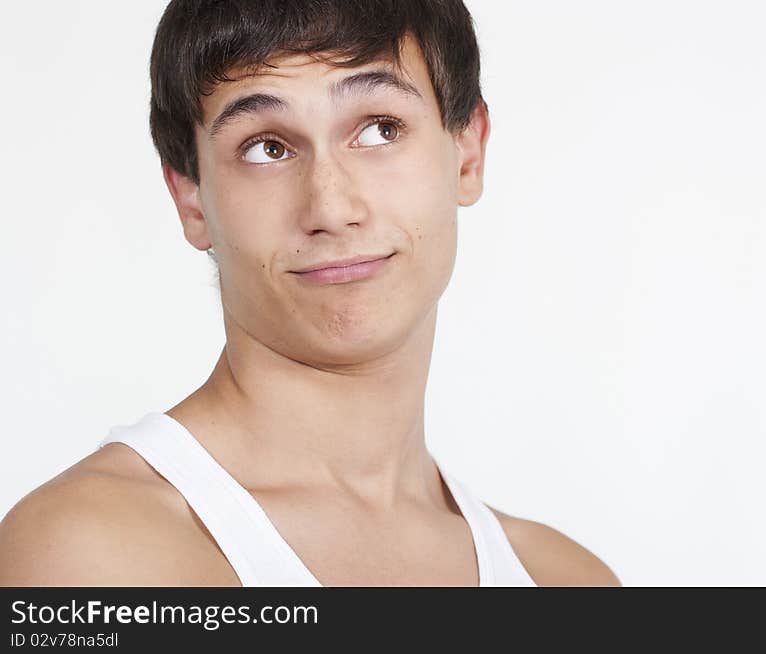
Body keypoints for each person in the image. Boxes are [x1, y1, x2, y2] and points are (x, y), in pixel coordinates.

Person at [0, 0, 621, 587]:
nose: (330, 205)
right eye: (266, 147)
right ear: (190, 197)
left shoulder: (565, 581)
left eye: (380, 129)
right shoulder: (91, 555)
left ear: (467, 154)